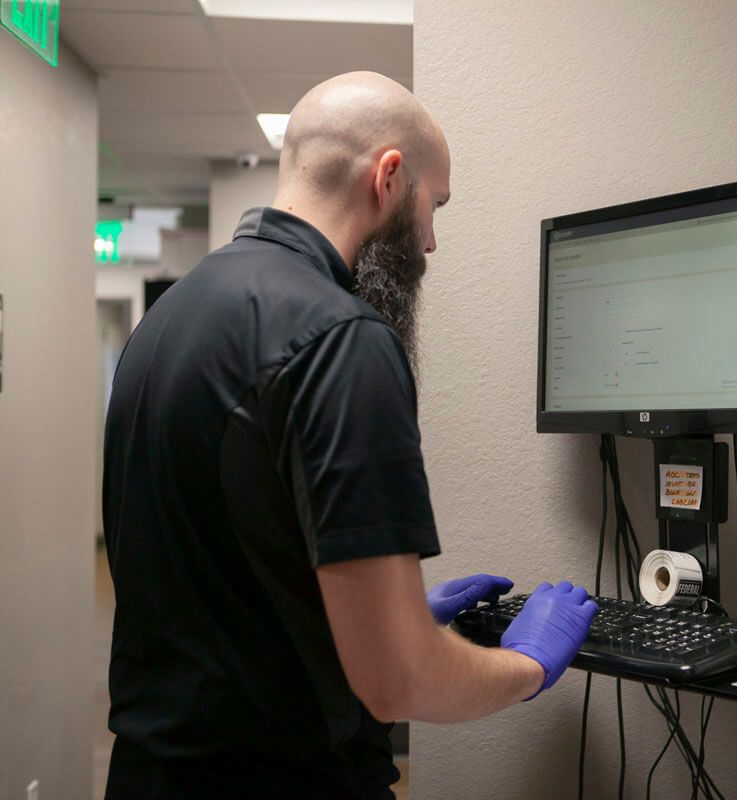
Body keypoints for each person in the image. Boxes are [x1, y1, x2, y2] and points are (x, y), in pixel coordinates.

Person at [101, 71, 596, 799]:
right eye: (435, 205)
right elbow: (397, 682)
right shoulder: (339, 337)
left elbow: (216, 570)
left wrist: (376, 616)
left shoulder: (170, 316)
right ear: (389, 176)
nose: (430, 240)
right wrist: (529, 663)